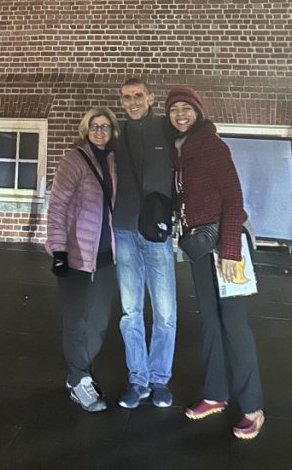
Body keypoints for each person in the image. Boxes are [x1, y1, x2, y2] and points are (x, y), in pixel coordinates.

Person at [166, 86, 265, 441]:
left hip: (226, 246)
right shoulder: (182, 151)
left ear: (198, 112)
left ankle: (253, 408)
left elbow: (234, 198)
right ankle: (216, 394)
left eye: (186, 108)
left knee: (234, 325)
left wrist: (229, 251)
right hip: (199, 246)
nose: (180, 114)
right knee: (210, 323)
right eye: (174, 109)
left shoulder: (211, 145)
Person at [46, 106, 119, 413]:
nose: (100, 131)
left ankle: (79, 371)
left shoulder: (114, 161)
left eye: (105, 126)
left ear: (112, 131)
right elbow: (58, 206)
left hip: (105, 256)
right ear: (85, 130)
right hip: (76, 255)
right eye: (94, 126)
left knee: (99, 321)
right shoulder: (73, 159)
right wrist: (58, 250)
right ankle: (79, 379)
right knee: (77, 320)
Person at [113, 78, 177, 409]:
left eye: (138, 96)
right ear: (121, 102)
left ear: (150, 98)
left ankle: (159, 379)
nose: (133, 101)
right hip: (123, 228)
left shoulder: (167, 129)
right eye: (126, 97)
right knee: (130, 311)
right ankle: (138, 379)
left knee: (165, 312)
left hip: (156, 231)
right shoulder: (115, 133)